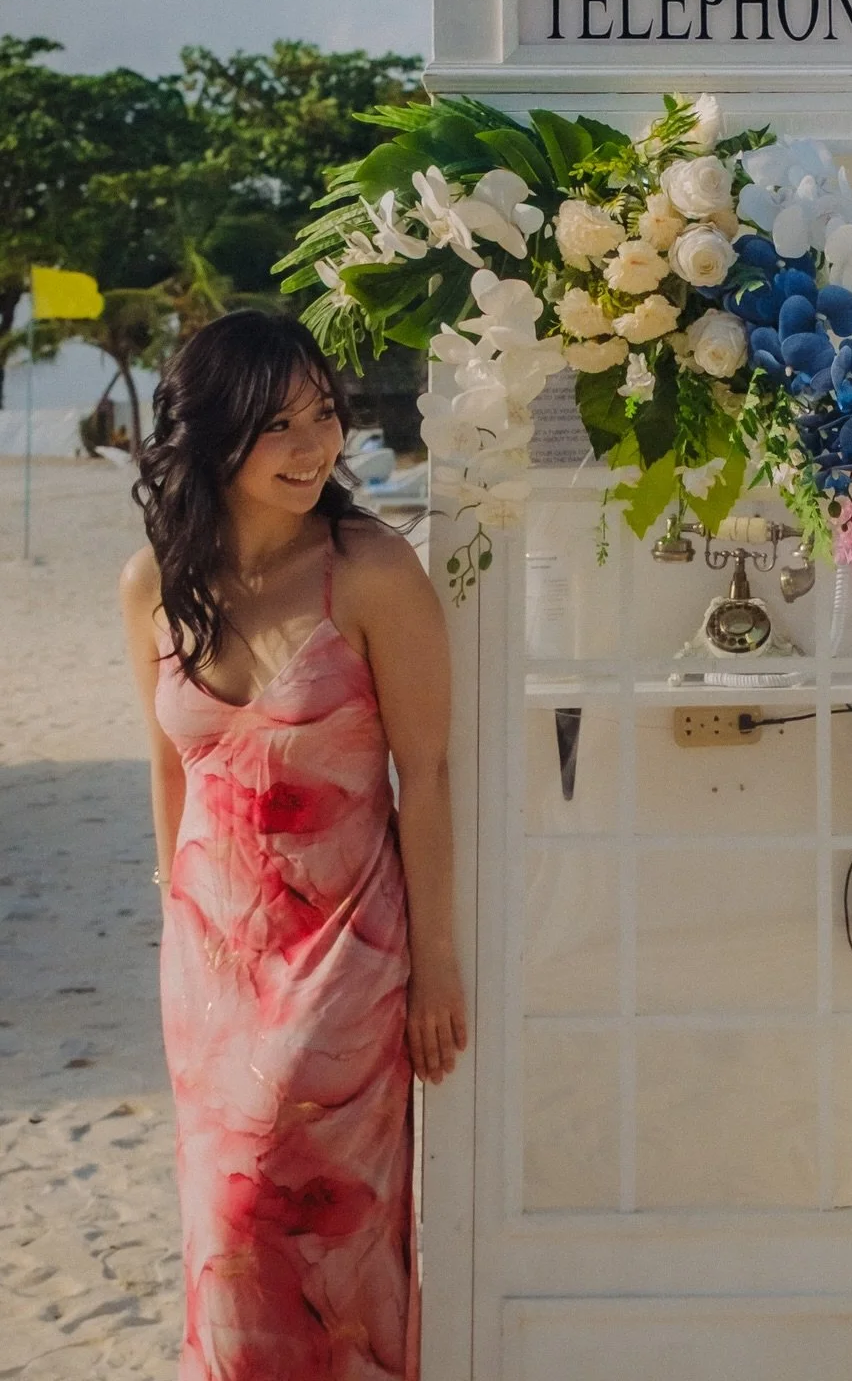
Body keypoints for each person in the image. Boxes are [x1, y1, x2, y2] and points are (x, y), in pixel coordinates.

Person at [120, 309, 466, 1381]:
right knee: (222, 1244)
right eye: (280, 425)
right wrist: (178, 929)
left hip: (343, 968)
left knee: (291, 1222)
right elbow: (172, 765)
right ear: (214, 438)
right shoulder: (153, 586)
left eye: (325, 414)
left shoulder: (369, 570)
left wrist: (435, 967)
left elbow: (429, 776)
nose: (315, 446)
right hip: (209, 972)